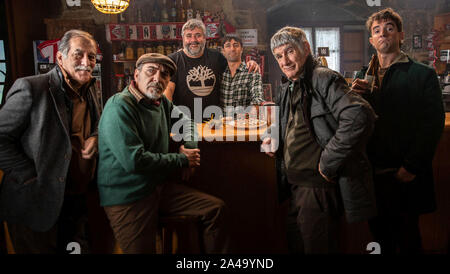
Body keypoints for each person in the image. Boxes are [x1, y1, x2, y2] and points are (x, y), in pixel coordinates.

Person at [97, 53, 229, 254]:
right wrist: (182, 160)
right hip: (128, 197)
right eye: (151, 71)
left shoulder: (160, 103)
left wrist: (190, 148)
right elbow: (134, 161)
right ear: (137, 74)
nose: (158, 78)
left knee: (216, 210)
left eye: (165, 75)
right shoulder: (120, 105)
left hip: (157, 188)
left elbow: (188, 123)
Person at [262, 26, 377, 254]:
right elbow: (285, 122)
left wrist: (328, 162)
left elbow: (359, 115)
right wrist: (271, 136)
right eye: (278, 56)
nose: (284, 60)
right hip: (296, 187)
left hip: (317, 188)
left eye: (289, 51)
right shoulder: (288, 87)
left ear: (305, 48)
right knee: (298, 245)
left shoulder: (323, 78)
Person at [352, 8, 445, 254]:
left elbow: (432, 123)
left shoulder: (422, 74)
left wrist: (412, 166)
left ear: (401, 35)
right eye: (377, 30)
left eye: (390, 29)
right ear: (372, 40)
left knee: (408, 239)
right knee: (379, 239)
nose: (384, 33)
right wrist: (352, 97)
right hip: (373, 175)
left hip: (404, 175)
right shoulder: (363, 76)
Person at [0, 29, 102, 253]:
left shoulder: (89, 88)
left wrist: (95, 136)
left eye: (91, 56)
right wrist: (30, 176)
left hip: (75, 200)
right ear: (59, 57)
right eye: (78, 54)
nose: (86, 62)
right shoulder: (31, 88)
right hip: (35, 202)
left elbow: (96, 124)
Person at [164, 19, 259, 121]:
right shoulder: (173, 60)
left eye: (198, 35)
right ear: (183, 38)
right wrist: (168, 118)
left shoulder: (216, 57)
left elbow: (235, 68)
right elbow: (168, 90)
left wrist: (249, 64)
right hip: (183, 122)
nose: (193, 40)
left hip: (214, 122)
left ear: (205, 38)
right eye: (189, 36)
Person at [220, 34, 264, 110]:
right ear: (223, 51)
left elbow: (257, 97)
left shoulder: (252, 71)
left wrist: (254, 108)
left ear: (242, 49)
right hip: (221, 120)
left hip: (244, 120)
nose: (232, 49)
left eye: (236, 45)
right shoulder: (219, 72)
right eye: (228, 46)